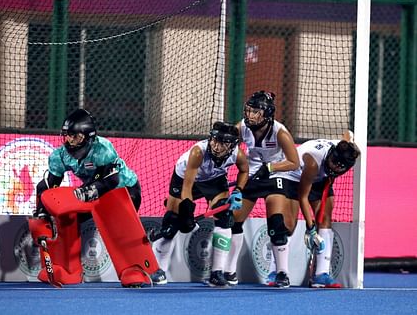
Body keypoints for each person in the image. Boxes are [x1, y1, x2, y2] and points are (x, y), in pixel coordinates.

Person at [151, 121, 249, 287]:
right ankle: (157, 268)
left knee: (224, 218)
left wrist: (238, 191)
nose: (216, 146)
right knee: (172, 222)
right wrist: (187, 213)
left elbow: (244, 171)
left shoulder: (237, 155)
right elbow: (187, 187)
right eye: (215, 141)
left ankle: (217, 272)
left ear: (232, 146)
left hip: (214, 180)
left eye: (222, 143)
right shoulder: (198, 152)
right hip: (184, 179)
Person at [224, 90, 300, 288]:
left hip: (277, 175)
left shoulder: (280, 133)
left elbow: (293, 162)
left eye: (256, 112)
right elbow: (226, 146)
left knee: (276, 221)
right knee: (233, 220)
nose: (250, 115)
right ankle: (229, 272)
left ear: (266, 114)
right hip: (253, 175)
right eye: (249, 111)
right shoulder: (242, 128)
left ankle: (282, 273)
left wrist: (271, 167)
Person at [276, 130, 360, 288]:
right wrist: (311, 228)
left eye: (340, 167)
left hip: (320, 178)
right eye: (334, 162)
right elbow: (303, 197)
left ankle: (321, 274)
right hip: (294, 175)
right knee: (289, 224)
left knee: (326, 215)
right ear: (332, 154)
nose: (336, 167)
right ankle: (278, 270)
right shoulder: (313, 160)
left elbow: (346, 135)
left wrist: (349, 135)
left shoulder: (344, 151)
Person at [34, 108, 141, 217]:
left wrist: (85, 193)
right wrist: (42, 209)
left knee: (115, 225)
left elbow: (111, 181)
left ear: (87, 136)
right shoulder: (60, 155)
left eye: (75, 136)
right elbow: (51, 183)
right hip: (92, 189)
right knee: (68, 214)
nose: (70, 140)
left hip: (125, 191)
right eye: (68, 135)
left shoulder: (102, 149)